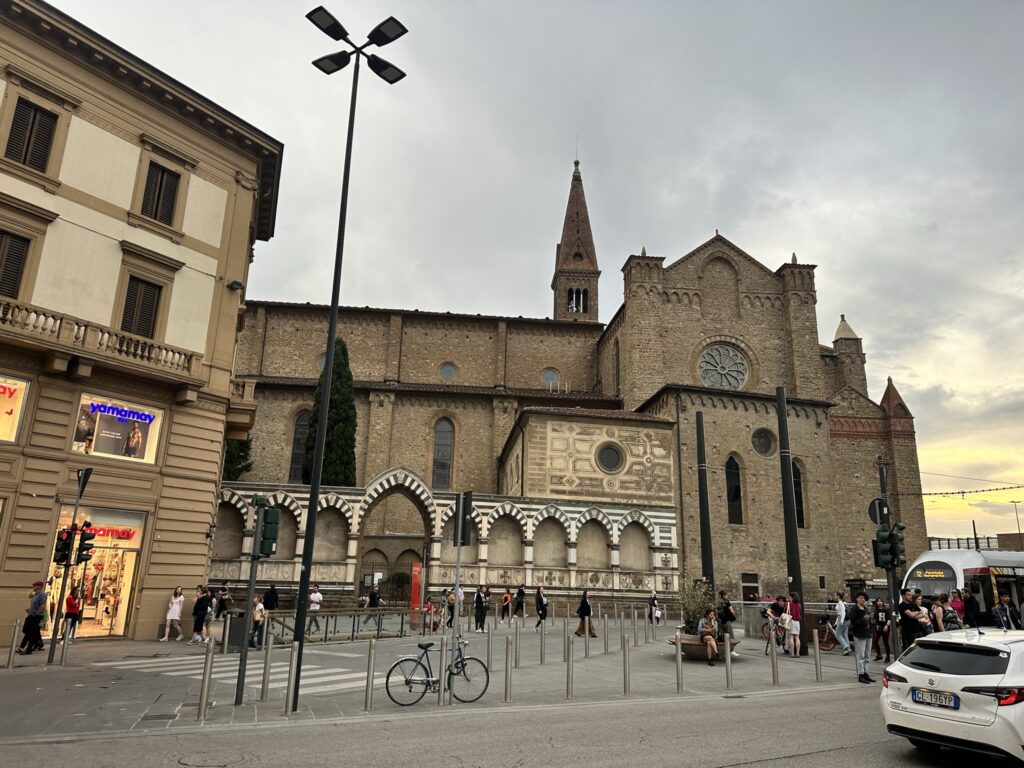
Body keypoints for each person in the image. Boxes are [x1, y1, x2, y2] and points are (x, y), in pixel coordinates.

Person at [16, 581, 47, 655]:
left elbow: (43, 605)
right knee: (28, 631)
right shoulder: (35, 594)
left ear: (39, 586)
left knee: (31, 632)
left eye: (34, 585)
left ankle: (29, 648)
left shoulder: (42, 594)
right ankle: (38, 643)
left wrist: (37, 613)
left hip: (36, 616)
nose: (33, 587)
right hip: (31, 615)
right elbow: (29, 597)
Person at [850, 591, 874, 684]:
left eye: (864, 598)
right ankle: (860, 674)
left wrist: (871, 620)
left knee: (867, 655)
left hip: (868, 633)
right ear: (857, 599)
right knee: (861, 655)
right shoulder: (854, 609)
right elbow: (854, 622)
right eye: (860, 598)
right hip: (860, 634)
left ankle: (866, 673)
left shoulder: (866, 609)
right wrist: (864, 618)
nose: (862, 600)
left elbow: (870, 620)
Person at [717, 590, 740, 658]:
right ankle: (731, 651)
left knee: (722, 636)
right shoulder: (727, 602)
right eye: (726, 595)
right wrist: (733, 615)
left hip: (720, 621)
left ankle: (724, 651)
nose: (727, 596)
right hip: (726, 621)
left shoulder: (718, 602)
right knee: (731, 635)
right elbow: (731, 610)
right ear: (724, 595)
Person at [871, 597, 891, 662]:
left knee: (885, 642)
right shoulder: (875, 610)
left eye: (881, 601)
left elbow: (889, 618)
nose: (879, 602)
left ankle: (888, 657)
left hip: (885, 627)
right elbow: (874, 620)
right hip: (878, 627)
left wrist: (887, 625)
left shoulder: (886, 609)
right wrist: (872, 620)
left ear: (883, 602)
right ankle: (879, 655)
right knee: (875, 641)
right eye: (878, 601)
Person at [834, 590, 851, 655]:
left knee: (838, 635)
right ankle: (848, 648)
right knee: (844, 634)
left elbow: (843, 613)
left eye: (835, 595)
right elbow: (839, 614)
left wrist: (841, 621)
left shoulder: (840, 603)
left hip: (843, 620)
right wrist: (836, 622)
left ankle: (846, 648)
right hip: (846, 620)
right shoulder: (843, 602)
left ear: (838, 596)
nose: (834, 596)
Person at [786, 592, 802, 658]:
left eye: (790, 597)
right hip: (797, 622)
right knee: (797, 637)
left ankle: (792, 653)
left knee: (791, 637)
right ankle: (798, 653)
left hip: (791, 621)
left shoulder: (789, 604)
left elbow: (785, 611)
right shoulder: (799, 605)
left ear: (792, 597)